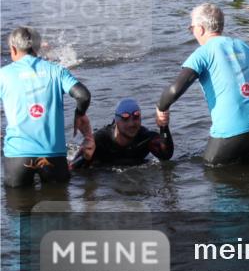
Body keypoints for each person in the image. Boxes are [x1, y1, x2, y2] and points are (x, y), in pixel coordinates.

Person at [157, 4, 249, 166]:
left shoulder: (203, 53)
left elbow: (175, 90)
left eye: (191, 28)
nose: (192, 32)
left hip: (229, 132)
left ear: (200, 28)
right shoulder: (247, 47)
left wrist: (161, 107)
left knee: (211, 173)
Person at [0, 26, 93, 187]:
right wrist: (79, 114)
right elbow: (83, 95)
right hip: (53, 155)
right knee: (57, 208)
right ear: (37, 48)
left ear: (13, 49)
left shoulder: (3, 74)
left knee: (19, 208)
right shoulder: (56, 71)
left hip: (17, 156)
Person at [73, 98, 173, 169]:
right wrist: (86, 158)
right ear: (116, 121)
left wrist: (163, 126)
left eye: (136, 117)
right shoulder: (99, 141)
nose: (131, 123)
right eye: (125, 119)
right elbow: (73, 168)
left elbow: (166, 155)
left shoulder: (145, 138)